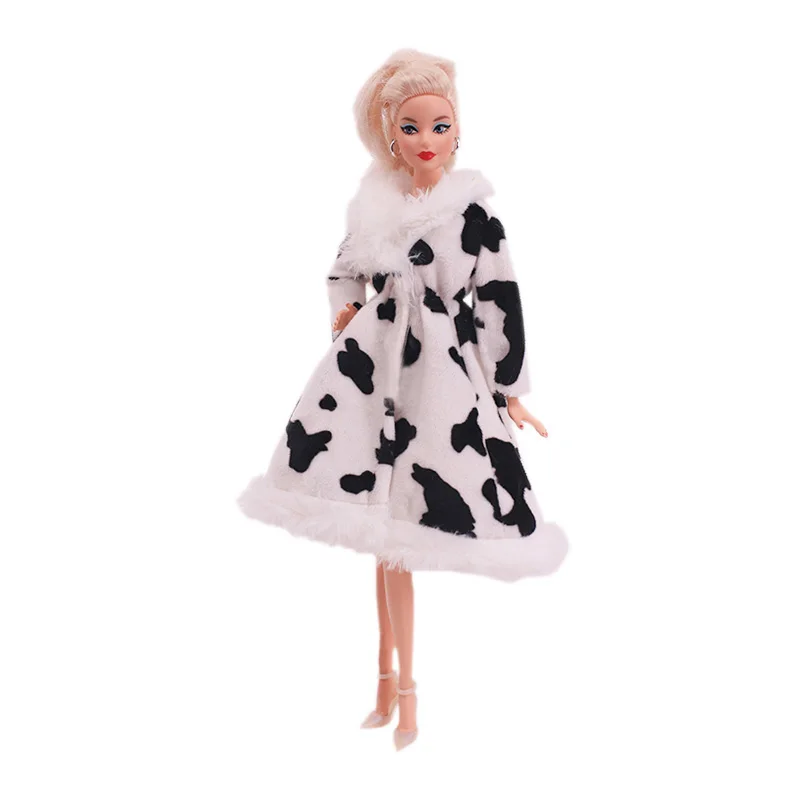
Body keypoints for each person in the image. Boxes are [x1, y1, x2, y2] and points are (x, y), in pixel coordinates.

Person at [237, 48, 568, 751]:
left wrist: (506, 387)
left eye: (439, 126)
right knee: (376, 533)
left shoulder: (473, 213)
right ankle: (386, 683)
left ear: (458, 130)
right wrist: (345, 314)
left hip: (439, 378)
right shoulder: (374, 207)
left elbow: (499, 297)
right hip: (370, 371)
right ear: (391, 134)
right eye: (411, 128)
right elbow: (342, 270)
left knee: (404, 535)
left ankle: (406, 694)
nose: (426, 141)